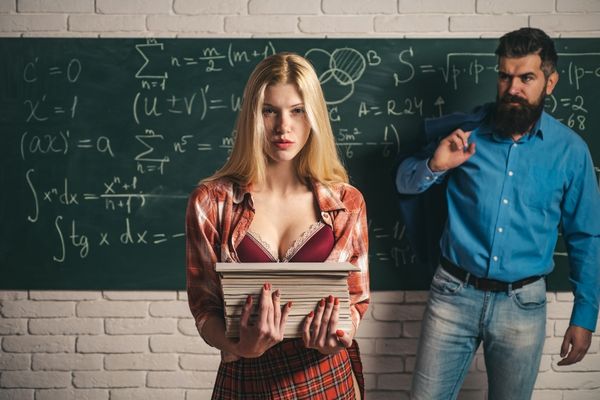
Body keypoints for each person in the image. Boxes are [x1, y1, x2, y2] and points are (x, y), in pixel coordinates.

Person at [395, 27, 600, 399]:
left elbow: (585, 237)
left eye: (526, 78)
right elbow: (405, 183)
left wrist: (585, 316)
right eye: (505, 76)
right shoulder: (464, 134)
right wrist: (436, 165)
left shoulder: (570, 152)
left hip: (523, 305)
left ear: (549, 82)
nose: (513, 88)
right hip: (452, 294)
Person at [185, 52, 369, 399]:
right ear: (252, 117)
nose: (284, 126)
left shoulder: (347, 202)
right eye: (269, 110)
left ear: (313, 115)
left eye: (297, 110)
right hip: (248, 379)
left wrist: (337, 338)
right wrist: (239, 346)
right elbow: (204, 308)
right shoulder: (210, 202)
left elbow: (357, 301)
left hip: (327, 379)